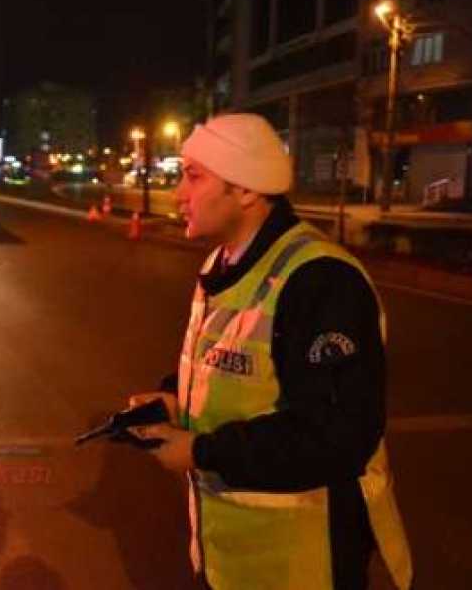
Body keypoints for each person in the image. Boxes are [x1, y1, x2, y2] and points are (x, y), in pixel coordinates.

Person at [128, 114, 412, 590]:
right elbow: (226, 363)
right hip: (233, 560)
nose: (178, 193)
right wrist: (173, 398)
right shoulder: (222, 263)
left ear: (246, 190)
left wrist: (200, 450)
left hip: (305, 564)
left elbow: (337, 436)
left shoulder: (321, 281)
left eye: (193, 177)